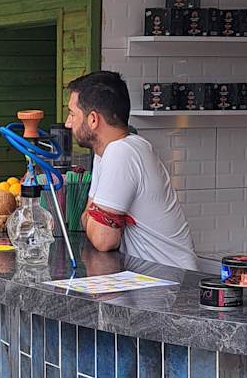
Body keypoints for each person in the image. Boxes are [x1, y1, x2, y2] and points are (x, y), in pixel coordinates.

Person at [64, 70, 198, 270]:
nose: (68, 123)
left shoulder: (122, 152)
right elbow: (88, 218)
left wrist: (94, 219)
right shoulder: (105, 153)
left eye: (72, 114)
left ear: (93, 119)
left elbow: (103, 239)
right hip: (152, 276)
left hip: (172, 280)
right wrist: (94, 219)